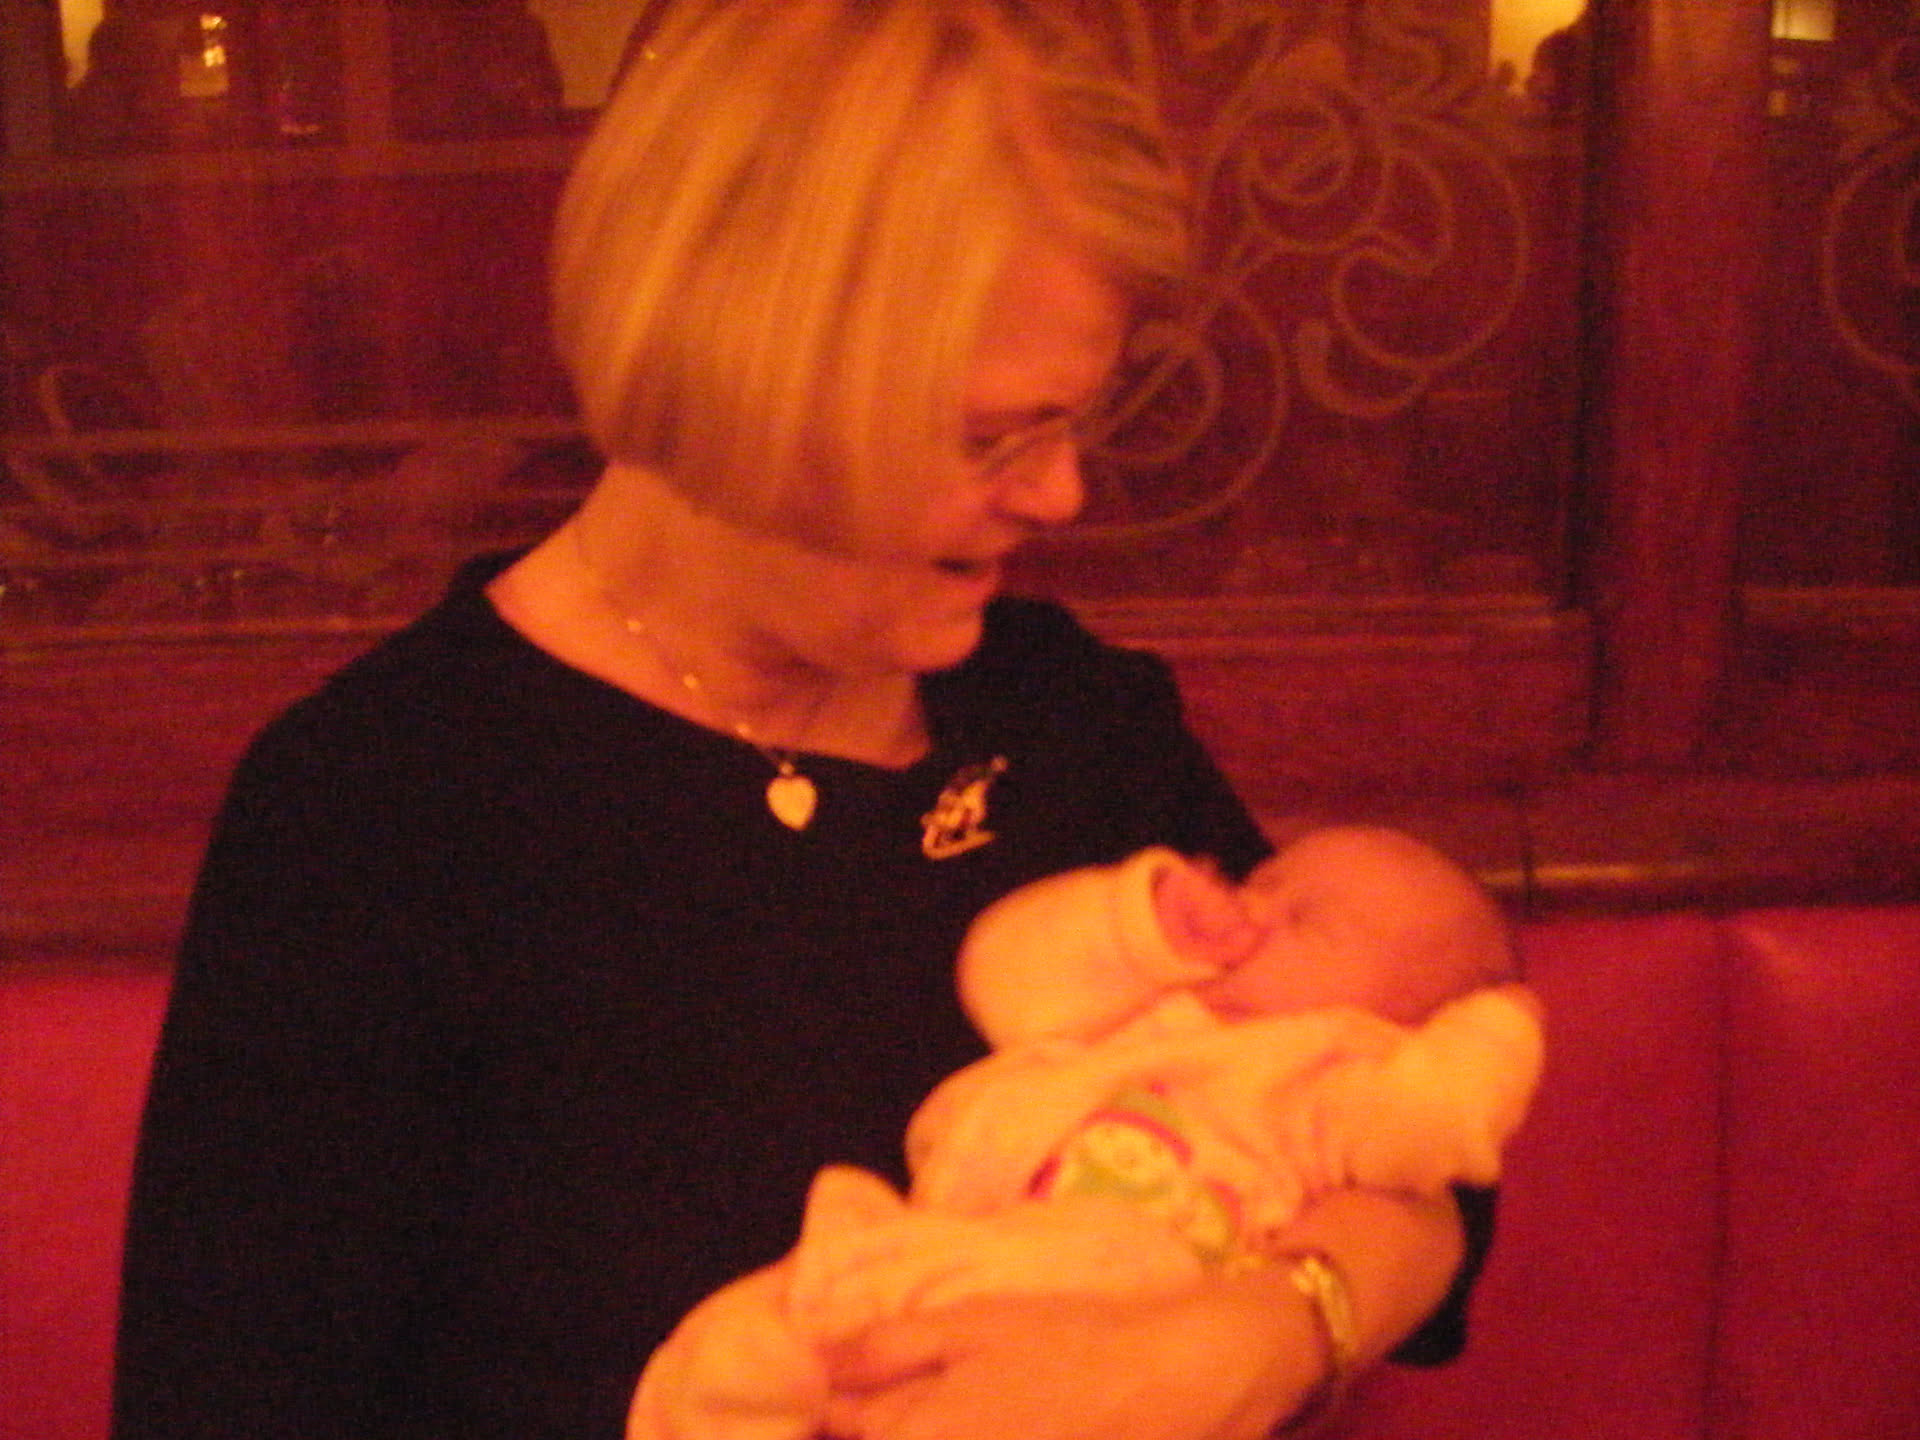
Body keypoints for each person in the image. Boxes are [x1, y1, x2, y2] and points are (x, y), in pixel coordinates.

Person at [111, 4, 1489, 1439]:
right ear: (758, 374)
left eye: (1076, 419)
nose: (1062, 492)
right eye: (992, 434)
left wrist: (1256, 1340)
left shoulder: (1064, 719)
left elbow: (1424, 1138)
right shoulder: (385, 810)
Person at [629, 828, 1542, 1440]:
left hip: (1118, 1289)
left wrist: (1492, 1033)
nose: (1256, 910)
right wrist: (1148, 924)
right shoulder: (1151, 1000)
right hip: (944, 1226)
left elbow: (1433, 1139)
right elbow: (1006, 980)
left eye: (1306, 922)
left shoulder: (1332, 1072)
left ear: (1400, 1017)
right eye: (1260, 884)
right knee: (756, 1330)